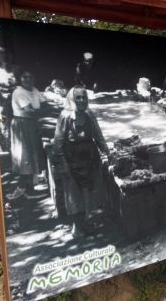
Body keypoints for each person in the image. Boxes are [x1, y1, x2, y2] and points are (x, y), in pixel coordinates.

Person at [53, 85, 110, 237]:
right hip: (72, 159)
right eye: (78, 97)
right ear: (72, 99)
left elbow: (98, 135)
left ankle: (88, 221)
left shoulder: (90, 114)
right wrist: (63, 164)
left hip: (89, 157)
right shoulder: (65, 116)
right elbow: (57, 143)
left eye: (84, 97)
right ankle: (77, 227)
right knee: (74, 193)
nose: (81, 100)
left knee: (89, 191)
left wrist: (107, 152)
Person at [10, 70, 46, 199]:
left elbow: (44, 103)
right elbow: (30, 110)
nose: (27, 79)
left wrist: (43, 109)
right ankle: (27, 190)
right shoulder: (19, 92)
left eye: (30, 76)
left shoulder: (34, 89)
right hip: (22, 124)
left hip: (32, 124)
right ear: (20, 79)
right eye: (24, 76)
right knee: (25, 156)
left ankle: (27, 187)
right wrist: (43, 111)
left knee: (33, 155)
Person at [0, 47, 16, 153]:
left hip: (16, 105)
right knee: (2, 124)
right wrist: (0, 93)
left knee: (15, 127)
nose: (4, 56)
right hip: (2, 106)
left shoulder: (17, 70)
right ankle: (5, 150)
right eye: (1, 53)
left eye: (6, 53)